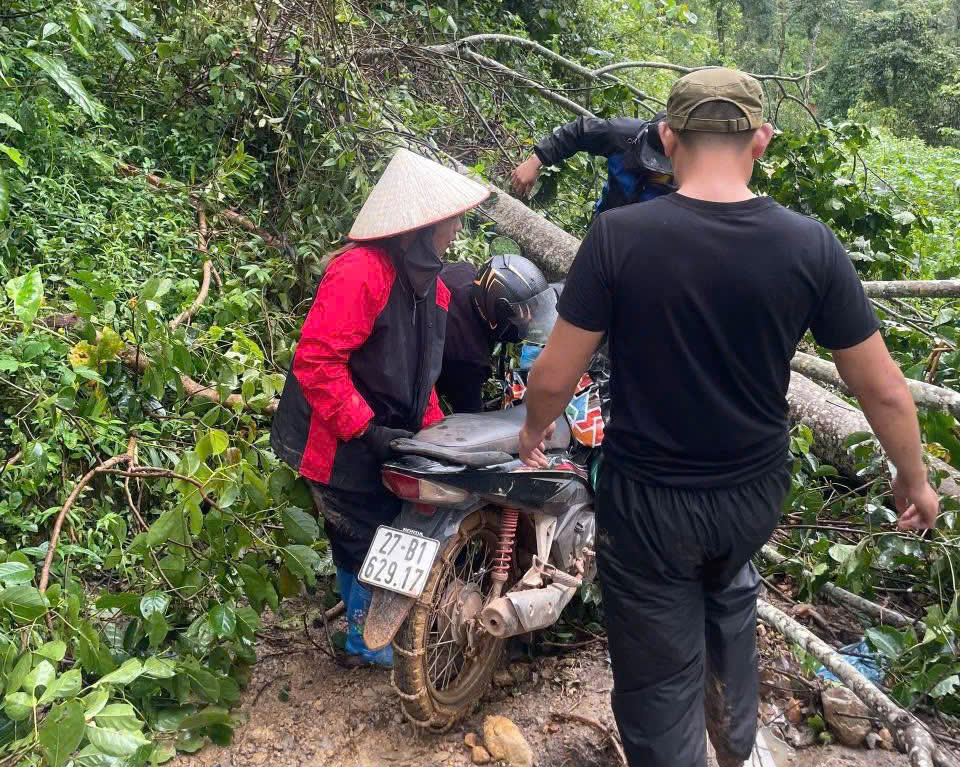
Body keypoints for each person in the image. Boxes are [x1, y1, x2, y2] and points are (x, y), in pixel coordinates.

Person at [517, 68, 939, 767]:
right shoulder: (810, 245)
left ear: (667, 137)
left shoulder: (618, 237)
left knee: (657, 677)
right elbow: (887, 390)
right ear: (761, 141)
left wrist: (534, 431)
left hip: (649, 502)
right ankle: (736, 737)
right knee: (726, 577)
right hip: (752, 495)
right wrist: (913, 477)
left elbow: (555, 376)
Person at [270, 148, 489, 667]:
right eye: (452, 219)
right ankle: (365, 645)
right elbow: (317, 363)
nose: (457, 229)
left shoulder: (432, 289)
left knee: (397, 527)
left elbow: (422, 377)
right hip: (333, 436)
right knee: (361, 535)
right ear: (423, 225)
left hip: (384, 430)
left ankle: (373, 629)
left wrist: (435, 439)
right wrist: (366, 430)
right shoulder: (360, 273)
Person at [435, 254, 549, 413]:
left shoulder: (463, 271)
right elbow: (470, 416)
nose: (526, 325)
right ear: (499, 312)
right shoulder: (470, 359)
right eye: (518, 319)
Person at [510, 112, 675, 217]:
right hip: (606, 219)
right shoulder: (626, 135)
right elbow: (579, 132)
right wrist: (535, 160)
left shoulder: (687, 171)